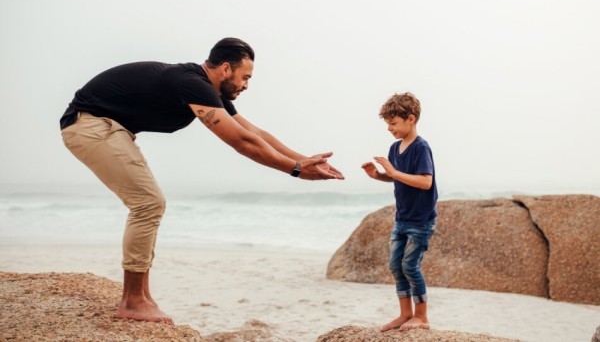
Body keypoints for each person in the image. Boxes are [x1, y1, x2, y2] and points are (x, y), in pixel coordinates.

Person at [60, 37, 344, 324]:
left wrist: (305, 160)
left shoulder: (205, 89)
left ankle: (141, 297)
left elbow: (253, 132)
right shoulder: (191, 83)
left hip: (105, 127)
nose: (246, 85)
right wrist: (295, 170)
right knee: (148, 204)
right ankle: (133, 301)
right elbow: (241, 141)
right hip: (91, 125)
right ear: (224, 69)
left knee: (149, 204)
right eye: (245, 77)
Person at [361, 92, 437, 332]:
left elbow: (425, 182)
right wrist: (380, 176)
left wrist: (392, 173)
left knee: (411, 266)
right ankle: (405, 314)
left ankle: (421, 317)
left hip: (420, 220)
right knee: (396, 265)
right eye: (387, 124)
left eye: (393, 123)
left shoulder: (421, 148)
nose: (389, 128)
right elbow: (400, 180)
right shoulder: (395, 148)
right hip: (401, 219)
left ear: (410, 119)